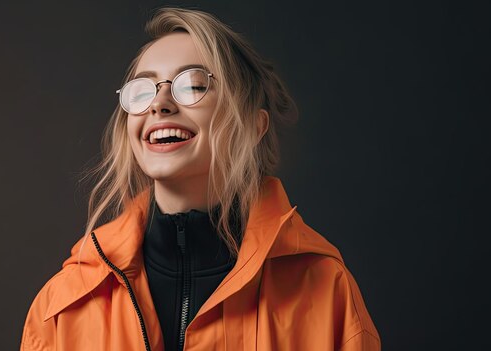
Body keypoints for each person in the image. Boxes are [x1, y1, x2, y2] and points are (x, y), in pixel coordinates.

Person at [20, 7, 380, 351]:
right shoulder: (62, 305)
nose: (159, 103)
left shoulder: (326, 291)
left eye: (192, 85)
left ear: (254, 126)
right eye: (143, 90)